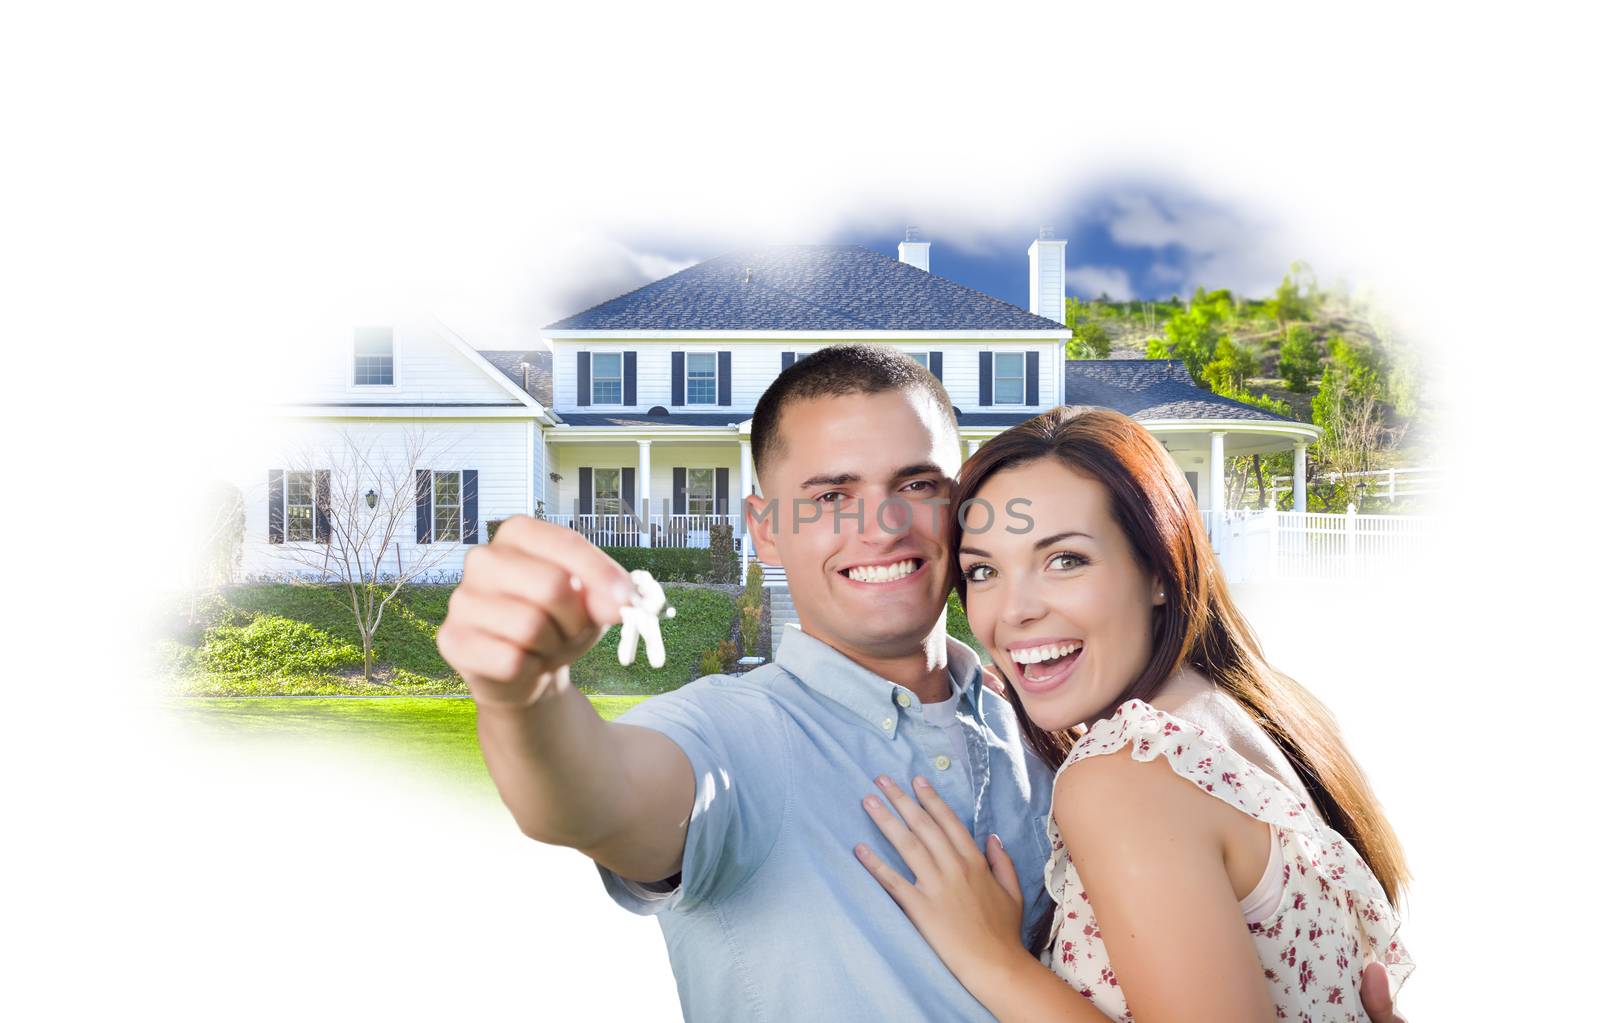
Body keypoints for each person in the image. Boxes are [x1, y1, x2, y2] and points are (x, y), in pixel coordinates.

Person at [436, 344, 1407, 1022]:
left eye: (916, 486)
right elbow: (591, 794)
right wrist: (524, 694)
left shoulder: (1063, 720)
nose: (883, 529)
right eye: (829, 500)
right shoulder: (734, 735)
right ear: (764, 529)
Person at [853, 406, 1414, 1022]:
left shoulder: (1129, 773)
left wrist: (992, 960)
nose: (1012, 612)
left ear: (1160, 571)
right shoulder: (1249, 716)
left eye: (1064, 559)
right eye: (983, 570)